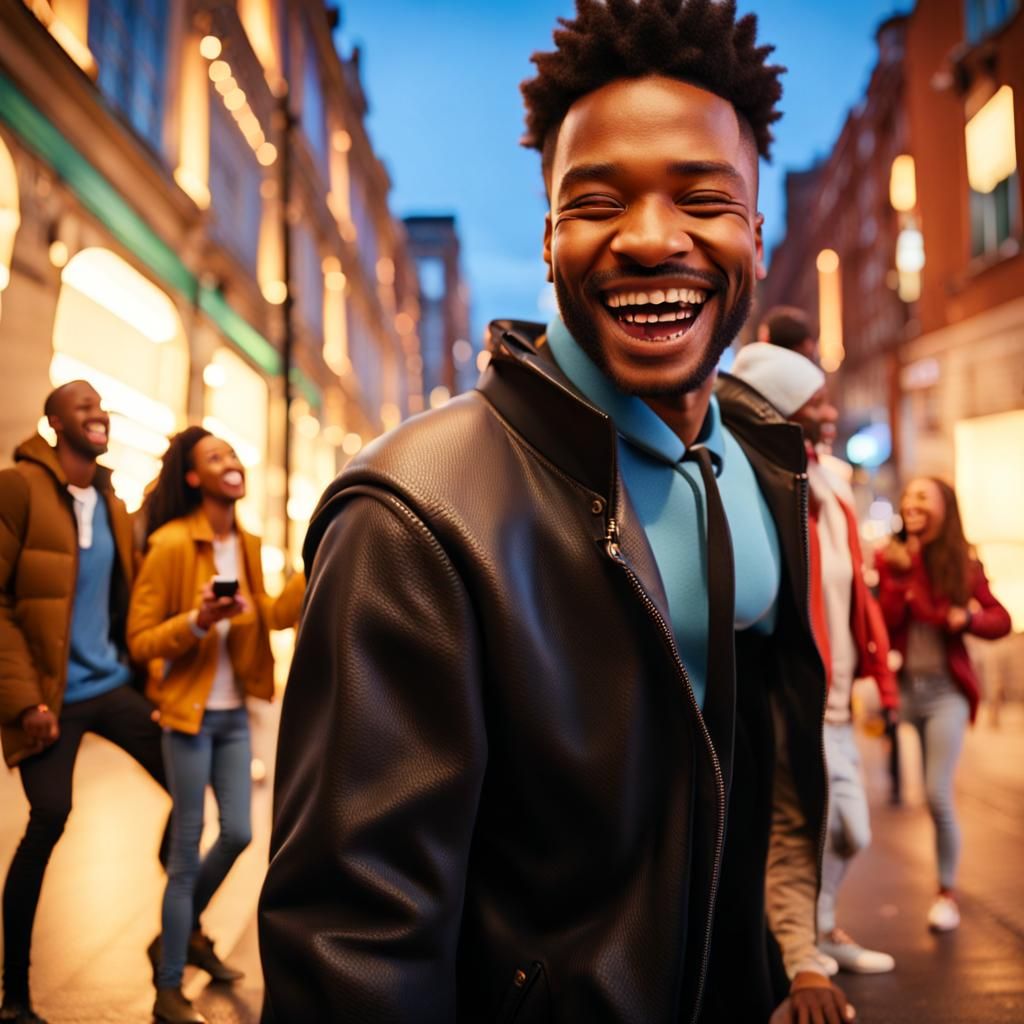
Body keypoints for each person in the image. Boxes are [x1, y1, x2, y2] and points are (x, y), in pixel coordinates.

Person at [260, 2, 851, 1021]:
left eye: (702, 198)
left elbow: (757, 757)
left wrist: (792, 954)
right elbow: (353, 944)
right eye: (597, 200)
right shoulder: (413, 515)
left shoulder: (764, 456)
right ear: (546, 240)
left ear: (756, 230)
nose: (652, 238)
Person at [0, 381, 169, 1024]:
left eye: (101, 407)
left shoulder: (111, 500)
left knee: (189, 781)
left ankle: (177, 933)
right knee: (49, 820)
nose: (97, 414)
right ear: (53, 423)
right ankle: (15, 992)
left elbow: (128, 600)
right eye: (82, 406)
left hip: (110, 687)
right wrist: (22, 704)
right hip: (50, 700)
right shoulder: (17, 489)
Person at [731, 342, 899, 975]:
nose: (831, 413)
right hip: (799, 694)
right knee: (802, 825)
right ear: (783, 410)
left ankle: (816, 931)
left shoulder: (832, 483)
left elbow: (856, 591)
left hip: (841, 693)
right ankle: (799, 950)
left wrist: (881, 674)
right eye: (816, 402)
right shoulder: (768, 487)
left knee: (847, 828)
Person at [127, 427, 303, 1024]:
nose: (231, 462)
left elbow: (274, 615)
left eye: (232, 453)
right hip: (188, 716)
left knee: (239, 835)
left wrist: (316, 554)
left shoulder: (250, 545)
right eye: (215, 458)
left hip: (232, 716)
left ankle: (177, 938)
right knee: (186, 850)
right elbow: (141, 637)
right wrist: (197, 621)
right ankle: (168, 984)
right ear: (194, 478)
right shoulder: (173, 544)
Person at [876, 477, 1011, 932]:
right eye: (908, 495)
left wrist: (967, 616)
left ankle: (945, 892)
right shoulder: (890, 558)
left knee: (936, 793)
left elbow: (1000, 619)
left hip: (944, 693)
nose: (911, 504)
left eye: (923, 498)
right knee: (890, 766)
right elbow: (886, 620)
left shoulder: (962, 563)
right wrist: (902, 571)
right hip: (901, 688)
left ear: (943, 510)